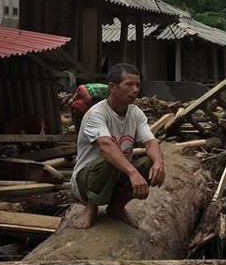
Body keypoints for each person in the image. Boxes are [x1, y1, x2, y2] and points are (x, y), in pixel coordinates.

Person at [69, 63, 165, 229]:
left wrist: (158, 163)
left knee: (148, 163)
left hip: (116, 176)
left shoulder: (135, 113)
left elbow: (150, 141)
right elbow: (106, 145)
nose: (135, 90)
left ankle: (117, 207)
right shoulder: (96, 114)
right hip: (86, 181)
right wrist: (133, 173)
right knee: (110, 159)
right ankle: (91, 208)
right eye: (129, 84)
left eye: (137, 85)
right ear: (112, 87)